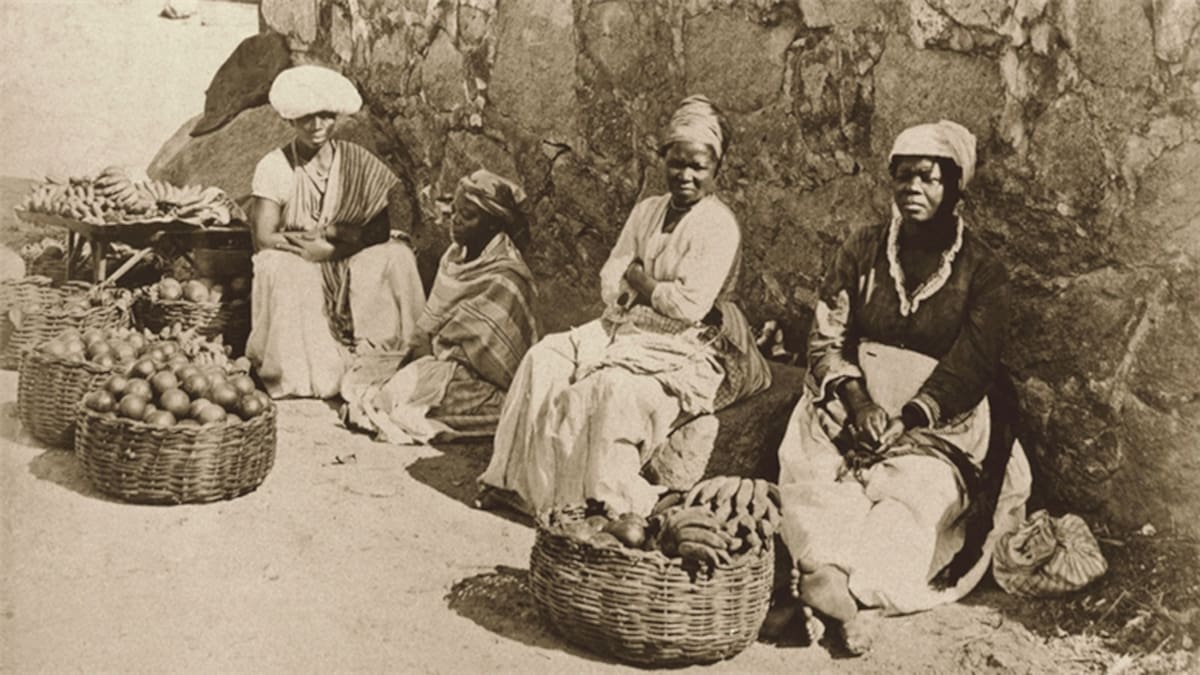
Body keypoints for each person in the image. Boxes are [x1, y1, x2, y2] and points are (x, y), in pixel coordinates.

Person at [771, 120, 1032, 655]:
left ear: (955, 188)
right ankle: (828, 577)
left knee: (914, 497)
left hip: (940, 418)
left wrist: (909, 417)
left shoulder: (984, 270)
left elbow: (973, 364)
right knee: (822, 480)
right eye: (903, 176)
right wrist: (859, 402)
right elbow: (827, 336)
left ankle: (853, 597)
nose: (913, 188)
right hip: (850, 402)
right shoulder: (862, 248)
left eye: (929, 178)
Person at [477, 95, 772, 517]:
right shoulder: (647, 210)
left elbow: (688, 304)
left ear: (716, 170)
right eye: (676, 163)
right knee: (544, 359)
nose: (685, 176)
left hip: (694, 341)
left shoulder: (717, 224)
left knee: (611, 387)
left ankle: (601, 500)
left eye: (698, 167)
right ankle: (519, 484)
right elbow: (609, 276)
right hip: (627, 322)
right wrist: (637, 283)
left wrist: (640, 278)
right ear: (663, 160)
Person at [245, 65, 426, 399]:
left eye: (325, 116)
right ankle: (313, 373)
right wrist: (310, 246)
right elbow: (265, 236)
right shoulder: (275, 166)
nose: (317, 126)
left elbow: (380, 228)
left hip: (342, 251)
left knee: (396, 255)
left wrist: (332, 247)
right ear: (291, 120)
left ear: (336, 117)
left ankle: (394, 352)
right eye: (306, 118)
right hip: (297, 255)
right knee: (282, 268)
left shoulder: (355, 159)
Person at [339, 170, 538, 443]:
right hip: (441, 360)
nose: (455, 221)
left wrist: (437, 353)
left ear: (493, 225)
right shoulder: (454, 257)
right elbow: (433, 321)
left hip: (479, 378)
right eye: (454, 211)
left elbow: (495, 358)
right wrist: (428, 351)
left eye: (467, 216)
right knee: (384, 384)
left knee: (403, 399)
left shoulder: (506, 277)